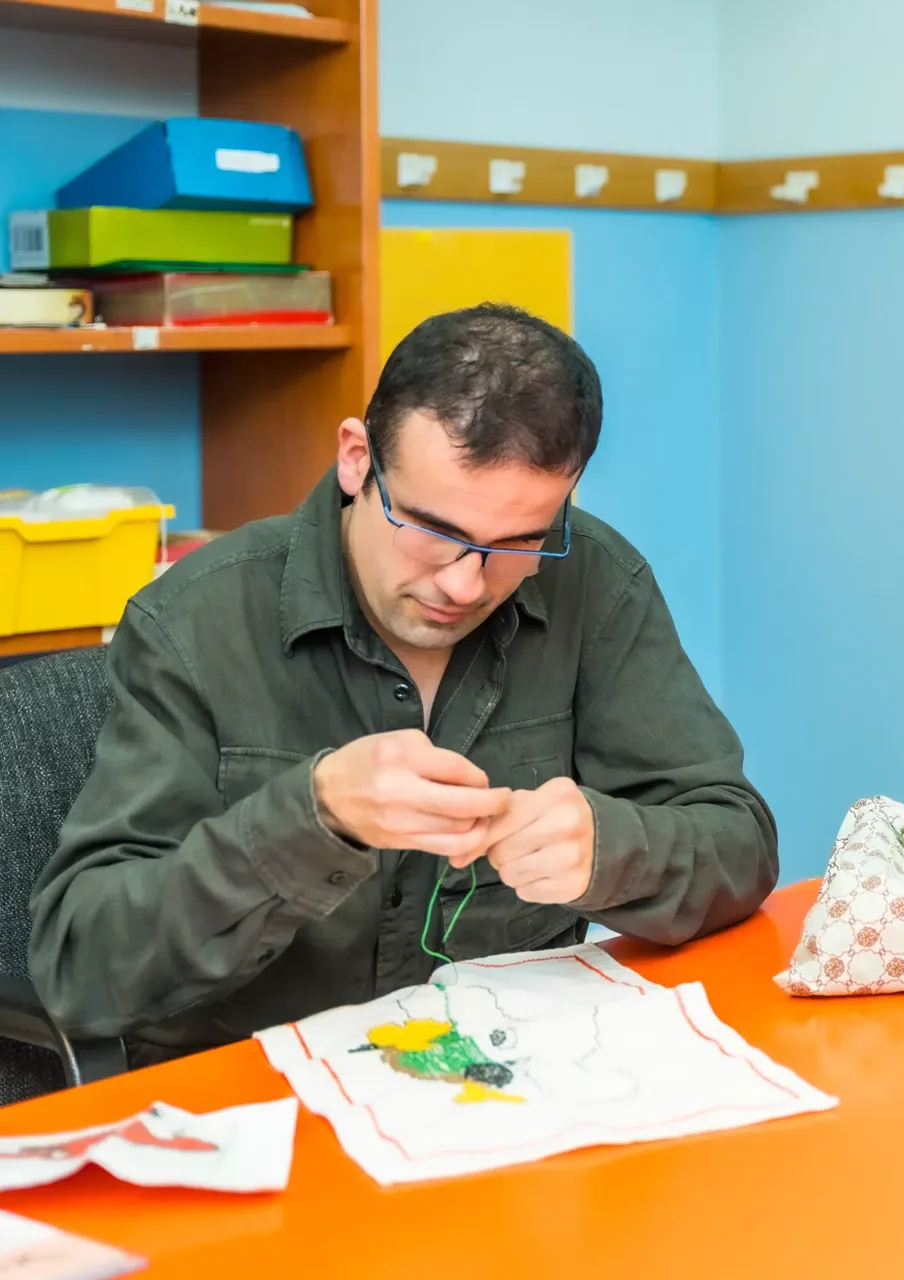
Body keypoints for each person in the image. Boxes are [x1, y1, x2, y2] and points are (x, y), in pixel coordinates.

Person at [31, 304, 776, 1064]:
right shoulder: (195, 621)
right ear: (357, 459)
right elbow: (82, 968)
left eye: (518, 543)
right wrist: (313, 819)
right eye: (431, 530)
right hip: (258, 1101)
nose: (464, 583)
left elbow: (740, 844)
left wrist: (612, 849)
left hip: (509, 1085)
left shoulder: (597, 584)